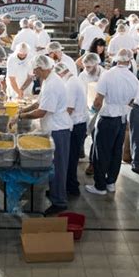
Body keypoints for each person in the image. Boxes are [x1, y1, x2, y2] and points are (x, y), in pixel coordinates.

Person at [12, 55, 72, 215]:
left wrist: (20, 117)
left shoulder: (53, 84)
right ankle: (55, 192)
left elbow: (41, 111)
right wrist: (21, 110)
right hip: (53, 127)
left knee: (58, 167)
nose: (34, 73)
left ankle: (59, 201)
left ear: (41, 68)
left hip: (59, 130)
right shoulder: (48, 80)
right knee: (54, 166)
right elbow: (39, 102)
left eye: (35, 70)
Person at [86, 49, 138, 195]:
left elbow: (98, 100)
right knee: (116, 152)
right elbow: (133, 101)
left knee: (101, 152)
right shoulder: (133, 78)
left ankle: (100, 186)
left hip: (107, 118)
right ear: (129, 60)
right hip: (122, 119)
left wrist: (92, 111)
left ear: (116, 59)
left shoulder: (108, 75)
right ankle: (111, 183)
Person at [55, 62, 88, 196]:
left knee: (70, 158)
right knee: (71, 157)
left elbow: (68, 109)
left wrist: (55, 117)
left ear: (60, 74)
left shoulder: (70, 84)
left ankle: (71, 187)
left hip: (76, 125)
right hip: (79, 123)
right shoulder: (74, 80)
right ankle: (70, 184)